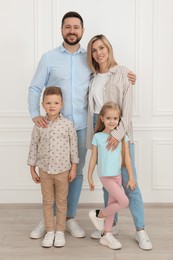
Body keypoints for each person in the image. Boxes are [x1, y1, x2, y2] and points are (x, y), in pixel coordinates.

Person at [28, 11, 136, 239]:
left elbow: (109, 77)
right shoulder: (49, 58)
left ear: (82, 31)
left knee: (74, 175)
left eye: (76, 27)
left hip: (83, 127)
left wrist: (129, 76)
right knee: (49, 172)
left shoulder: (90, 59)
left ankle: (68, 219)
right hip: (54, 127)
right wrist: (34, 113)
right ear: (61, 30)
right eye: (67, 27)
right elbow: (35, 88)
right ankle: (49, 220)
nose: (72, 31)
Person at [86, 34, 152, 250]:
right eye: (94, 50)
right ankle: (110, 225)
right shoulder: (93, 77)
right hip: (100, 130)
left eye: (102, 47)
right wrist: (100, 135)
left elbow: (128, 108)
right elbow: (95, 112)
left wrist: (117, 134)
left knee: (130, 185)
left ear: (109, 48)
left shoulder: (123, 73)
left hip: (120, 133)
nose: (99, 53)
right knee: (109, 184)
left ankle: (141, 230)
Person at [27, 86, 79, 247]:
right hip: (44, 171)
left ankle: (60, 231)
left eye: (56, 102)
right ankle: (50, 231)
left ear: (61, 104)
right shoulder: (39, 125)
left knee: (62, 201)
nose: (52, 106)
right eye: (48, 103)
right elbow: (33, 146)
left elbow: (73, 147)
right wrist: (32, 168)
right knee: (48, 201)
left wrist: (74, 168)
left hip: (63, 171)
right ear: (43, 105)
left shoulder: (68, 125)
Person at [88, 102, 136, 250]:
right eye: (108, 118)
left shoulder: (123, 137)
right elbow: (93, 158)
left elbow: (127, 158)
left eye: (115, 118)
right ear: (102, 118)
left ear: (119, 119)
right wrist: (89, 176)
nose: (112, 121)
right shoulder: (98, 137)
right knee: (124, 201)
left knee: (112, 205)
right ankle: (98, 214)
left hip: (117, 176)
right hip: (105, 176)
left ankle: (106, 234)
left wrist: (131, 177)